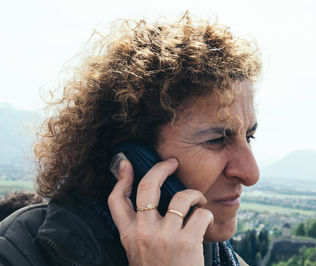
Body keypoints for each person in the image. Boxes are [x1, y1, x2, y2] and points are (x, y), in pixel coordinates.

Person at [0, 13, 261, 266]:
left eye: (249, 136)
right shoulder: (16, 254)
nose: (250, 174)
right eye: (217, 140)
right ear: (132, 159)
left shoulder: (223, 259)